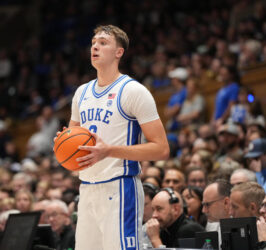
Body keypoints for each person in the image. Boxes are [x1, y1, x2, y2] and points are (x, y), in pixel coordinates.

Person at [65, 25, 169, 250]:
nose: (95, 46)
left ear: (119, 52)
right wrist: (62, 145)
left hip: (120, 187)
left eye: (103, 42)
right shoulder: (81, 93)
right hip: (87, 188)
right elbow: (71, 136)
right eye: (94, 42)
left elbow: (161, 149)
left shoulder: (133, 91)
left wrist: (109, 151)